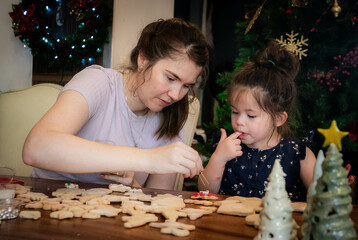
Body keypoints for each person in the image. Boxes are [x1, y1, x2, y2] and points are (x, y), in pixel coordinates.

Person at [22, 18, 209, 190]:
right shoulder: (98, 82)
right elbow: (36, 148)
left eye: (186, 86)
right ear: (143, 59)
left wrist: (132, 185)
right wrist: (148, 159)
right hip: (49, 202)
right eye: (170, 78)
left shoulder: (173, 115)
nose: (176, 95)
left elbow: (157, 201)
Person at [198, 40, 316, 200]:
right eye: (235, 112)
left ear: (278, 118)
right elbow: (205, 191)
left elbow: (320, 198)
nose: (239, 121)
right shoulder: (227, 148)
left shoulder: (297, 153)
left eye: (251, 115)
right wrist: (218, 159)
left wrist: (334, 185)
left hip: (278, 224)